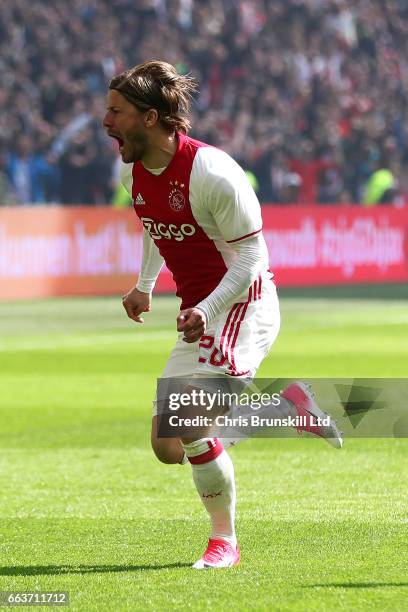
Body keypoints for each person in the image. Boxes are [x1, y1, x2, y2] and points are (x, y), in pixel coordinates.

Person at [103, 61, 343, 570]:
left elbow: (253, 259)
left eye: (115, 111)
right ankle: (284, 408)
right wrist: (145, 285)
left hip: (242, 305)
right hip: (201, 311)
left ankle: (223, 542)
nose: (106, 121)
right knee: (167, 445)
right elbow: (154, 221)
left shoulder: (213, 173)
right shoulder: (134, 171)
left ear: (149, 118)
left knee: (191, 426)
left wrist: (208, 307)